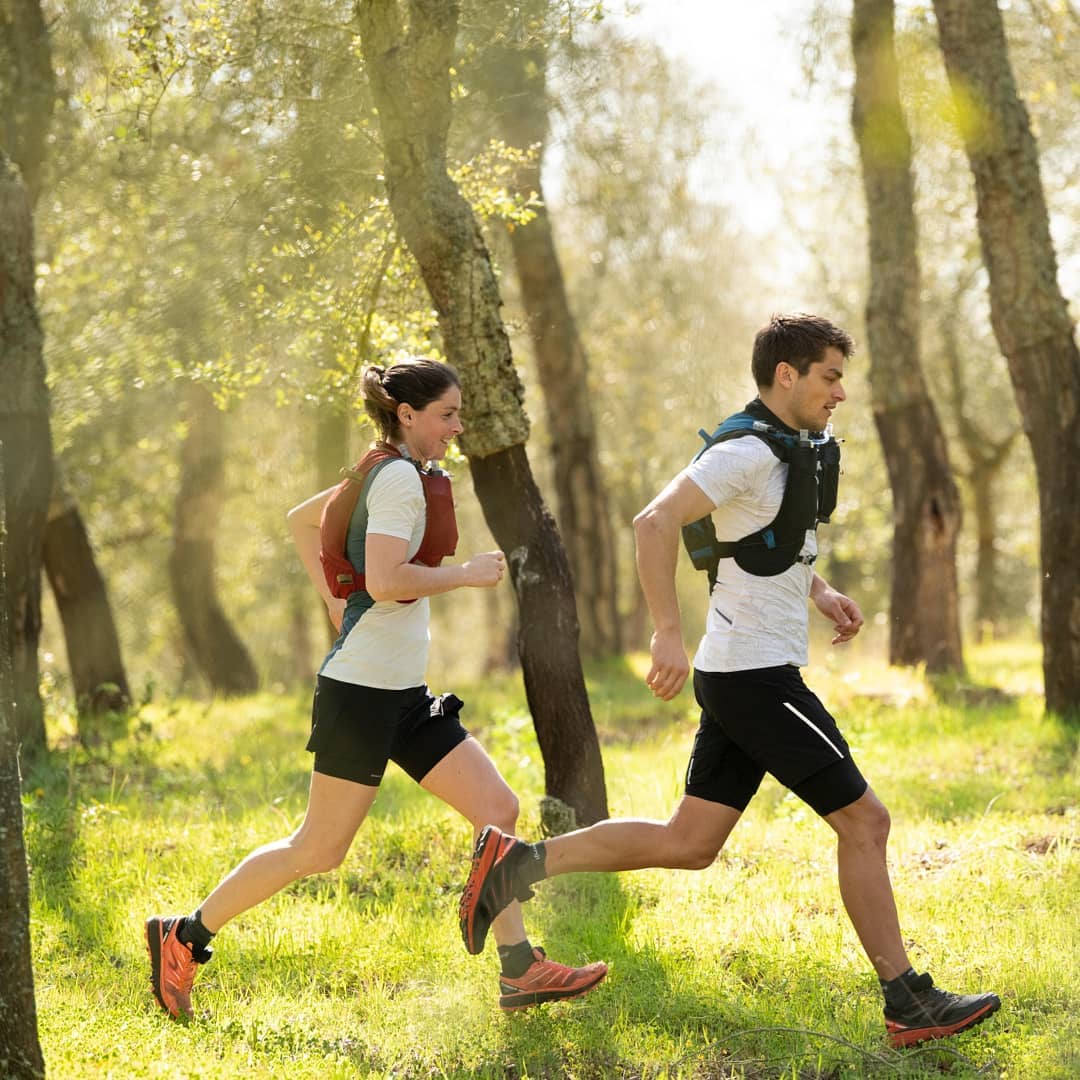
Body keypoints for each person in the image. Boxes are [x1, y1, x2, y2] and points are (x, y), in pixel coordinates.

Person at [458, 314, 1001, 1048]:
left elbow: (765, 543)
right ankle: (907, 1000)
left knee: (689, 841)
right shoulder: (745, 450)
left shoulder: (787, 448)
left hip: (743, 671)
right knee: (866, 822)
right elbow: (654, 523)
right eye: (830, 375)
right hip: (755, 679)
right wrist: (667, 631)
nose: (841, 391)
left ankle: (516, 864)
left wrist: (821, 592)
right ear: (788, 374)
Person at [146, 358, 607, 1019]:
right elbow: (388, 580)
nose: (456, 427)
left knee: (496, 811)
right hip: (361, 694)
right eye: (447, 415)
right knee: (318, 848)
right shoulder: (396, 482)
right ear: (407, 415)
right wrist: (466, 574)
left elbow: (303, 521)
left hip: (401, 691)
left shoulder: (386, 470)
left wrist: (335, 601)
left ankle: (519, 969)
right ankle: (183, 937)